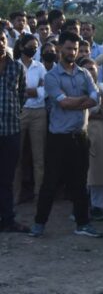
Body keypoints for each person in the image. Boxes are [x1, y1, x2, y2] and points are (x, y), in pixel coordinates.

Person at [29, 32, 103, 238]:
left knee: (80, 183)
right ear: (60, 48)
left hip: (80, 136)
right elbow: (62, 102)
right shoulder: (51, 76)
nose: (72, 52)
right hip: (58, 138)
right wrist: (82, 100)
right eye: (69, 48)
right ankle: (39, 223)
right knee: (50, 182)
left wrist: (75, 101)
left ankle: (83, 223)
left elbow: (96, 97)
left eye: (75, 49)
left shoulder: (84, 73)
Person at [0, 31, 30, 233]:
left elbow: (22, 96)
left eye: (2, 40)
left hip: (11, 130)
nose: (0, 43)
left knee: (7, 178)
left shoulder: (17, 67)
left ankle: (8, 219)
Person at [12, 34, 47, 204]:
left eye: (35, 46)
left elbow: (45, 89)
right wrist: (33, 91)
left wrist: (31, 91)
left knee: (39, 157)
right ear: (21, 47)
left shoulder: (39, 67)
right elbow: (14, 91)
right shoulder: (13, 66)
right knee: (16, 156)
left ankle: (40, 195)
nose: (33, 49)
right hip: (20, 111)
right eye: (30, 46)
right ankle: (14, 196)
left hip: (39, 112)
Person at [78, 57, 103, 222]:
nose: (90, 72)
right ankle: (80, 206)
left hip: (101, 135)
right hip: (80, 133)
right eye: (86, 69)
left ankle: (98, 206)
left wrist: (94, 112)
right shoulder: (74, 89)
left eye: (92, 69)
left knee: (99, 172)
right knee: (80, 172)